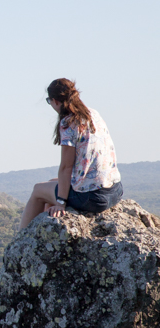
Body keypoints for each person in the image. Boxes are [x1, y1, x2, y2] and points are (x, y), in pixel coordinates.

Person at [19, 78, 123, 230]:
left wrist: (61, 203)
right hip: (115, 191)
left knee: (38, 190)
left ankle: (20, 243)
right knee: (51, 182)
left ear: (55, 101)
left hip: (93, 197)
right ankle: (47, 228)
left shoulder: (69, 122)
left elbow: (66, 167)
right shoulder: (93, 114)